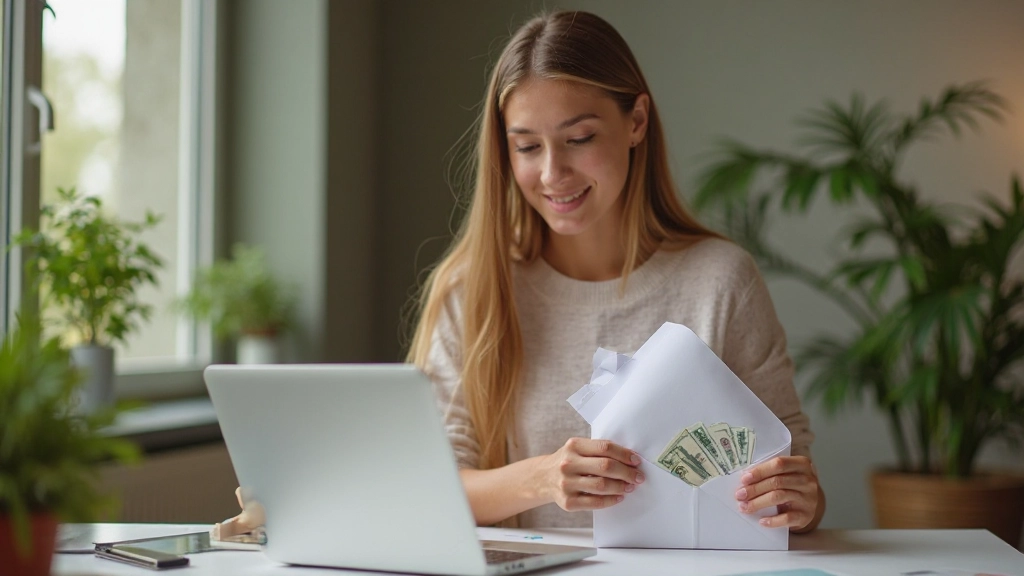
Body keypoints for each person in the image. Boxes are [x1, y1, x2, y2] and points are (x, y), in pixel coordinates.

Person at [406, 10, 826, 532]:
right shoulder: (473, 289)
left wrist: (800, 500)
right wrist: (543, 479)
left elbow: (797, 485)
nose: (553, 173)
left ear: (636, 122)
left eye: (579, 139)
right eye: (527, 147)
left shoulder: (721, 282)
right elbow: (429, 487)